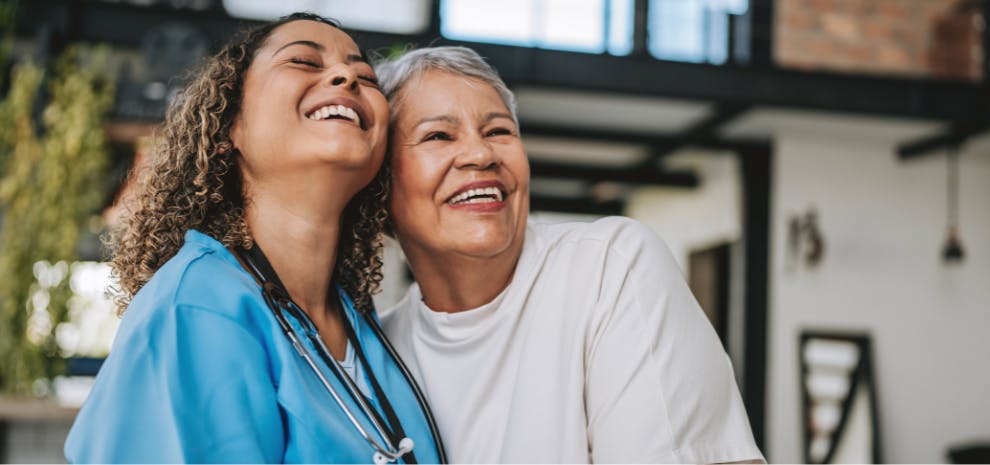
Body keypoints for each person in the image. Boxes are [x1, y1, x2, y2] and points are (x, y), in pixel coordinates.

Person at [65, 14, 444, 463]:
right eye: (303, 61)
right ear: (230, 127)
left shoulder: (362, 325)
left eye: (365, 77)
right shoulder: (195, 306)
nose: (347, 77)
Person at [375, 46, 764, 463]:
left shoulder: (610, 266)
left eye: (499, 131)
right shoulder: (378, 352)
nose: (481, 154)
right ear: (378, 187)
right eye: (438, 135)